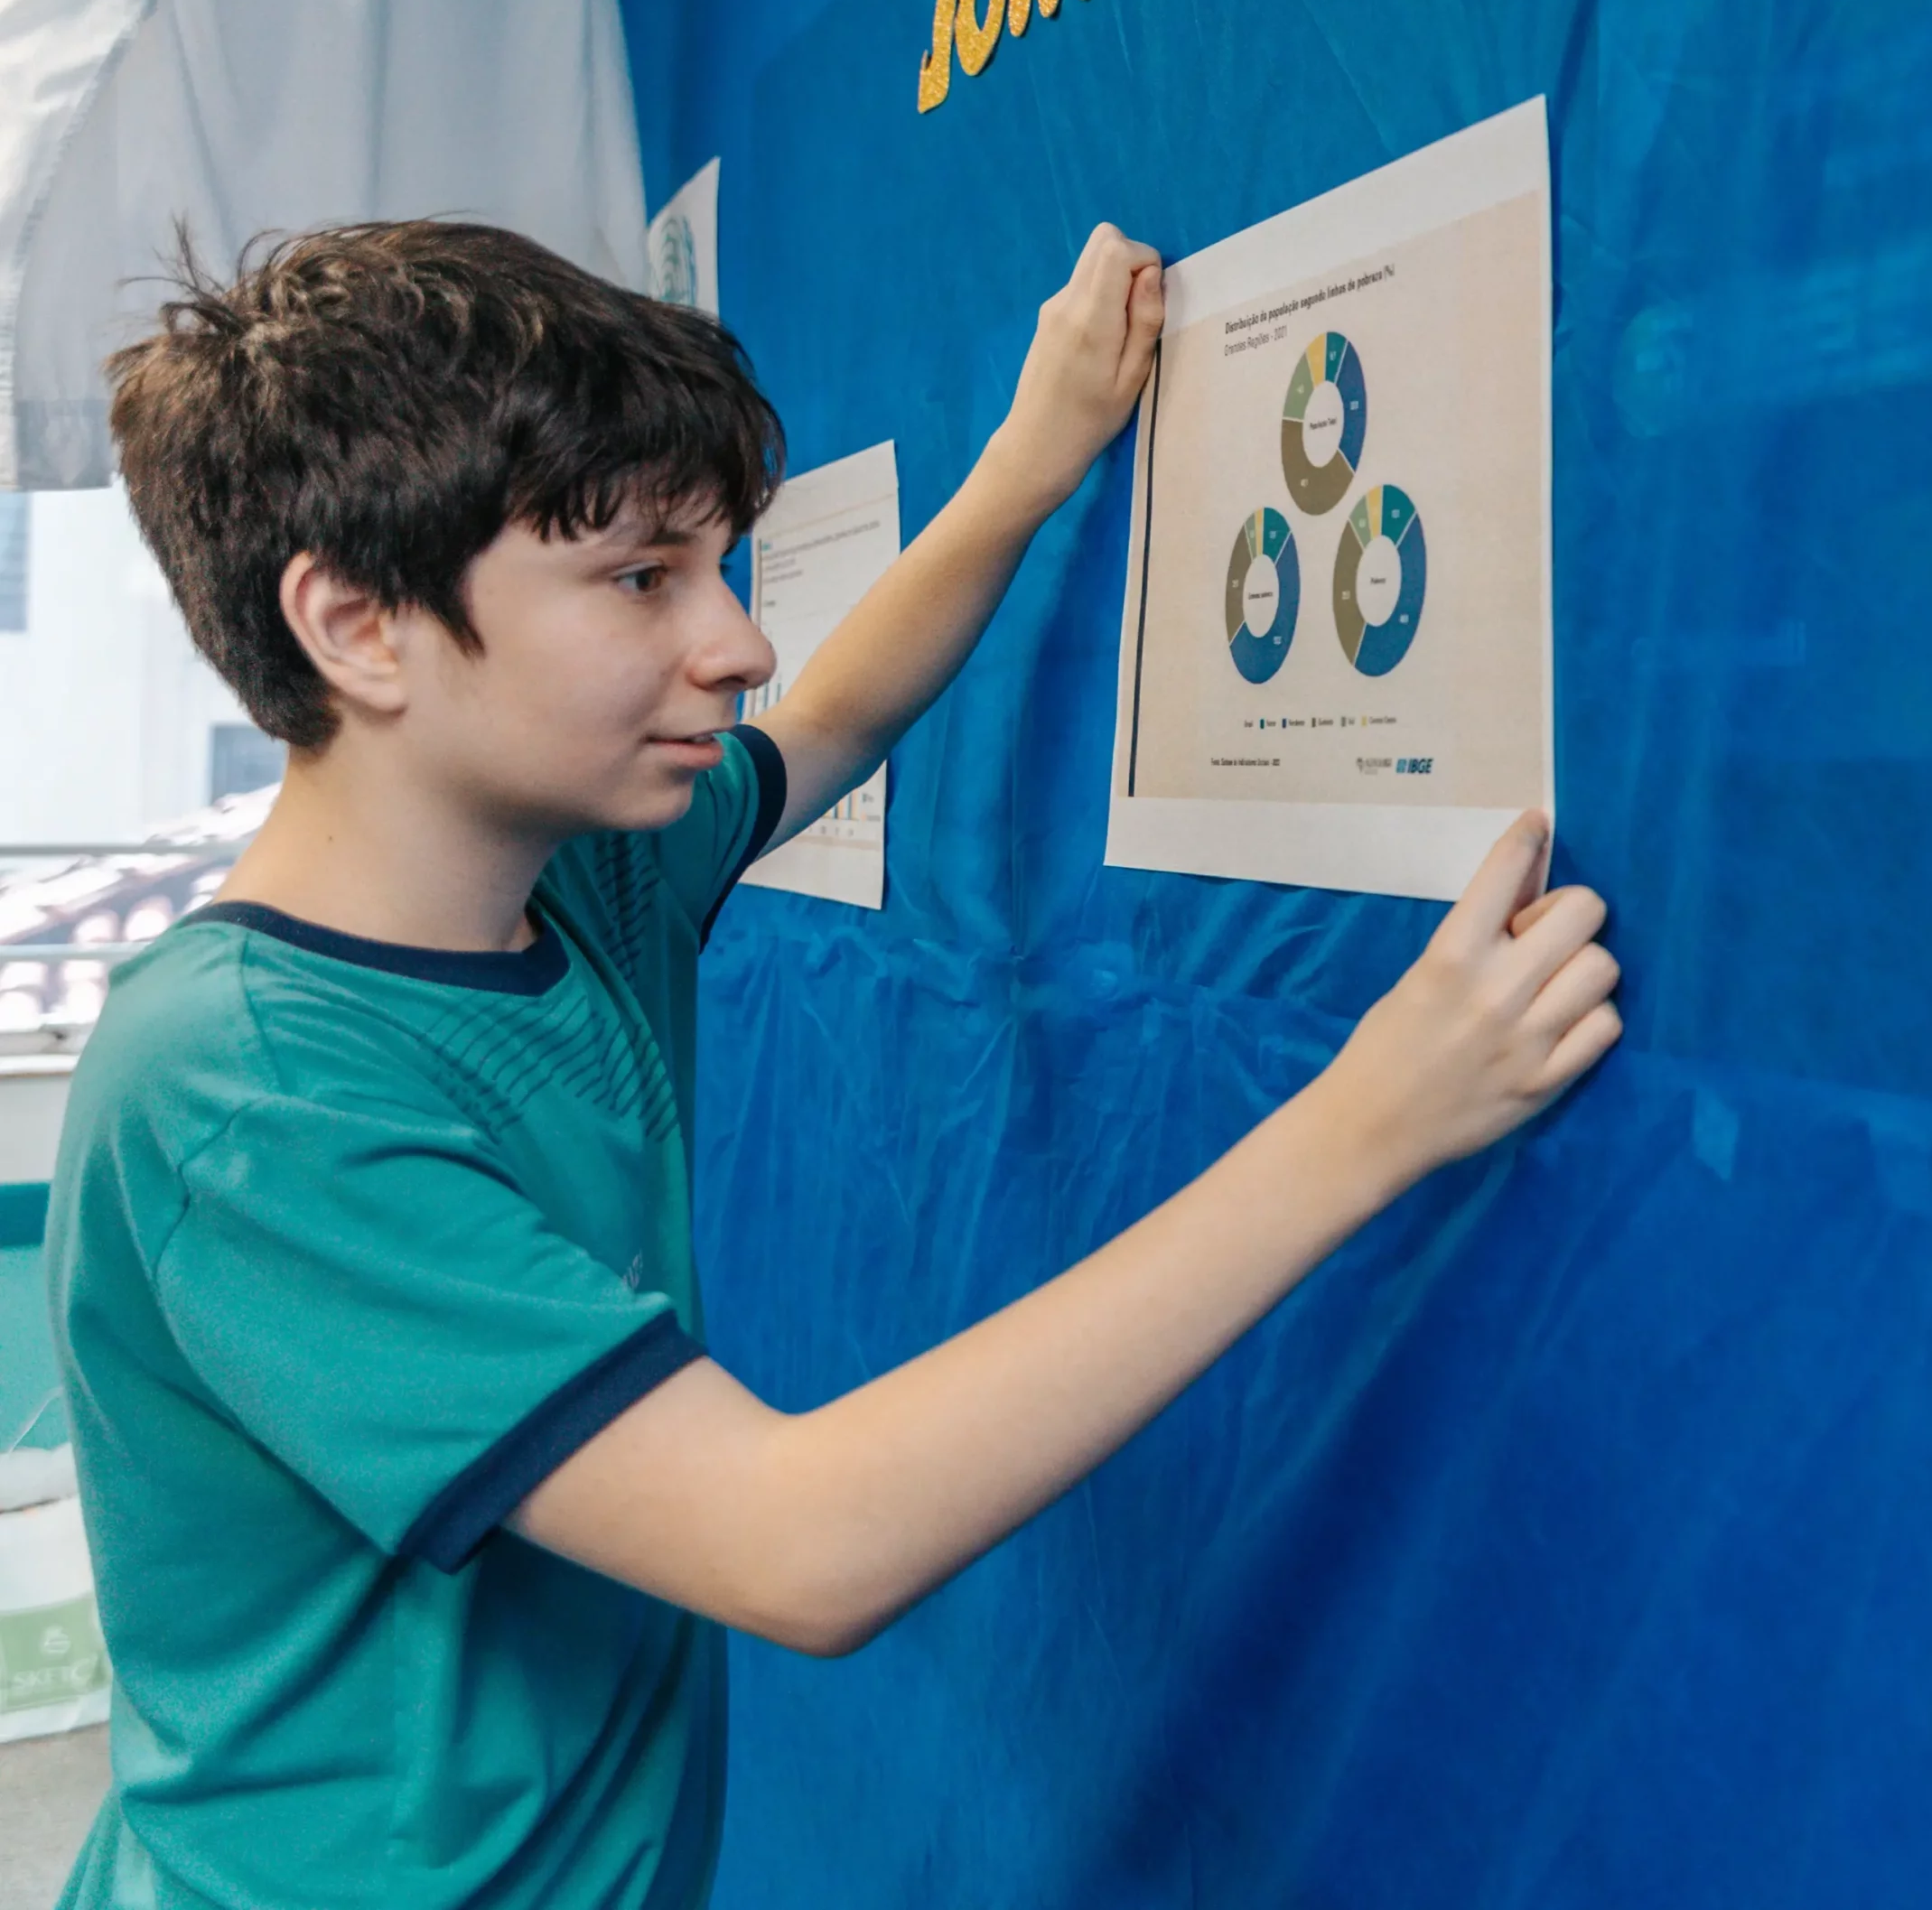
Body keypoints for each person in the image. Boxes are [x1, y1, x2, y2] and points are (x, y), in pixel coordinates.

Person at [47, 219, 1619, 1910]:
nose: (736, 643)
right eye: (643, 577)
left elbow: (833, 720)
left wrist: (1029, 465)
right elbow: (798, 1542)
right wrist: (1372, 1122)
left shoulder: (581, 880)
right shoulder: (247, 1094)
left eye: (722, 568)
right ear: (359, 625)